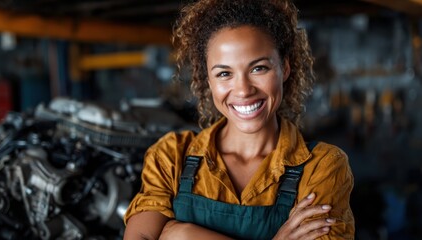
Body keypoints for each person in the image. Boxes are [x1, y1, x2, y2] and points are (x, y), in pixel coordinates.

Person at [123, 0, 355, 239]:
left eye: (258, 68)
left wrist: (182, 234)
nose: (243, 90)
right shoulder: (172, 156)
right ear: (208, 80)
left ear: (284, 68)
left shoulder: (322, 167)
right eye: (224, 73)